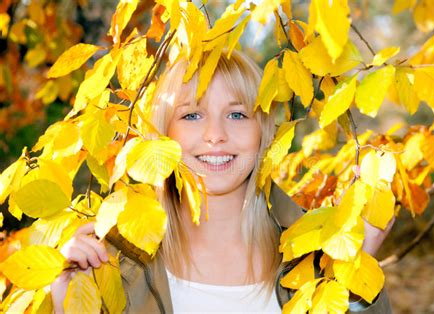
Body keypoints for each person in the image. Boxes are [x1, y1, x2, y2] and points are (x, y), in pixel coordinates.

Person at [52, 49, 393, 313]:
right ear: (161, 133)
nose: (215, 135)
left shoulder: (315, 255)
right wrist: (65, 302)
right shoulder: (113, 262)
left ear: (264, 132)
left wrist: (355, 270)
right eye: (192, 114)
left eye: (237, 114)